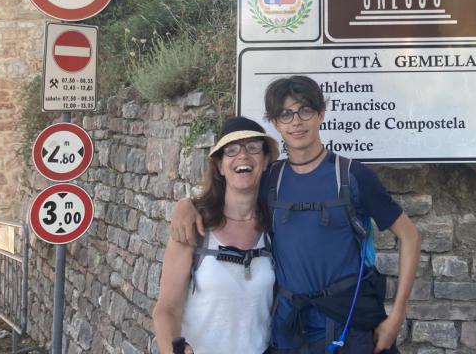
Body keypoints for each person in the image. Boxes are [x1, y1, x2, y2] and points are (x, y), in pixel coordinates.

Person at [171, 75, 421, 354]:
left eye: (305, 111)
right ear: (275, 123)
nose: (296, 122)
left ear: (321, 115)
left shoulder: (351, 176)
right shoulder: (271, 178)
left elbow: (409, 236)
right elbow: (228, 190)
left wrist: (397, 315)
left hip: (348, 325)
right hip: (291, 329)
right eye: (286, 114)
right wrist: (187, 204)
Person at [153, 116, 280, 354]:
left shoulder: (275, 227)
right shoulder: (194, 226)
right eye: (231, 150)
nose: (243, 156)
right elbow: (166, 308)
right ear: (220, 166)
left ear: (264, 161)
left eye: (253, 148)